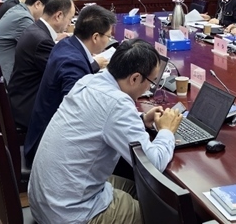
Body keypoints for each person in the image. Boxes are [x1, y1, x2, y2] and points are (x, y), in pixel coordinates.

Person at [28, 39, 183, 224]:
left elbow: (101, 120)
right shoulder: (118, 104)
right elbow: (154, 164)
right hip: (70, 214)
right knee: (165, 216)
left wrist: (141, 119)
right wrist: (166, 131)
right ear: (134, 78)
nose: (149, 88)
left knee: (150, 193)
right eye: (151, 82)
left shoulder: (88, 81)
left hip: (48, 200)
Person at [25, 4, 117, 165]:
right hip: (48, 148)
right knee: (116, 151)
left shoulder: (67, 44)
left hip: (44, 131)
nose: (109, 40)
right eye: (109, 36)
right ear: (95, 37)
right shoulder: (72, 63)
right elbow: (78, 113)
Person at [8, 0, 75, 130]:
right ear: (58, 16)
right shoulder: (42, 41)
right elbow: (63, 75)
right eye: (70, 19)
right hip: (28, 108)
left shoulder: (36, 29)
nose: (69, 24)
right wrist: (95, 63)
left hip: (20, 98)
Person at [0, 0, 53, 81]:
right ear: (38, 4)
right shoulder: (23, 18)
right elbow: (38, 47)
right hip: (6, 75)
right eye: (46, 10)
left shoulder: (18, 9)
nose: (47, 14)